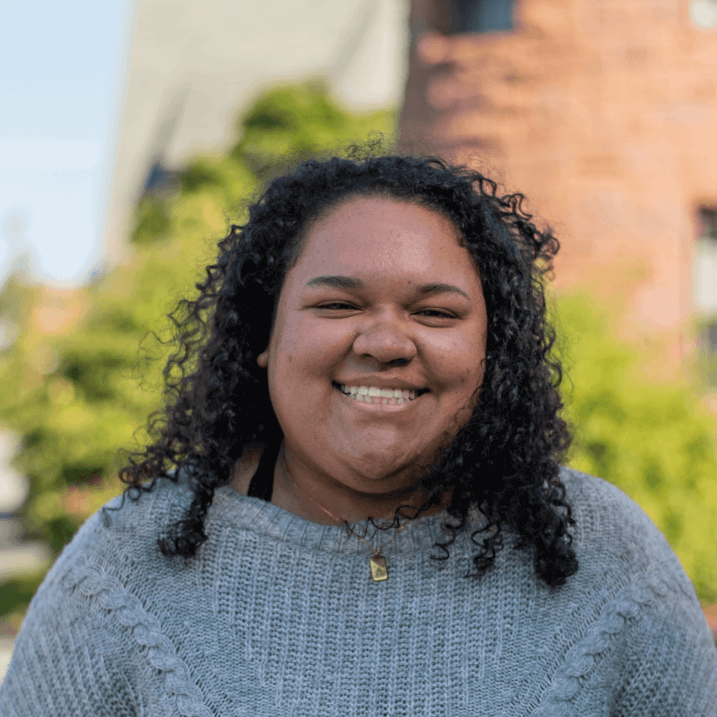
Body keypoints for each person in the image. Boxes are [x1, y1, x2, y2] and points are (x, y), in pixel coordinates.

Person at [1, 151, 715, 716]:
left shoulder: (604, 553)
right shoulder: (129, 564)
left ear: (489, 350)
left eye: (434, 313)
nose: (382, 341)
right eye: (337, 303)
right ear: (264, 335)